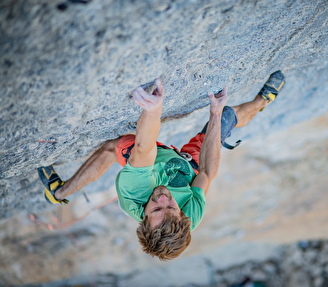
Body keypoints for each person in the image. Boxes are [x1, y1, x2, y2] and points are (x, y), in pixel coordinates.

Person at [37, 71, 285, 260]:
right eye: (171, 208)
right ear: (182, 216)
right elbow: (208, 172)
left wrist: (153, 110)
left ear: (143, 218)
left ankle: (57, 192)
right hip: (188, 168)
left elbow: (145, 150)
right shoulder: (188, 218)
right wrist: (216, 116)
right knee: (229, 116)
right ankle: (261, 102)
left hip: (155, 165)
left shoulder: (135, 193)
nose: (164, 198)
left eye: (156, 210)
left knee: (114, 148)